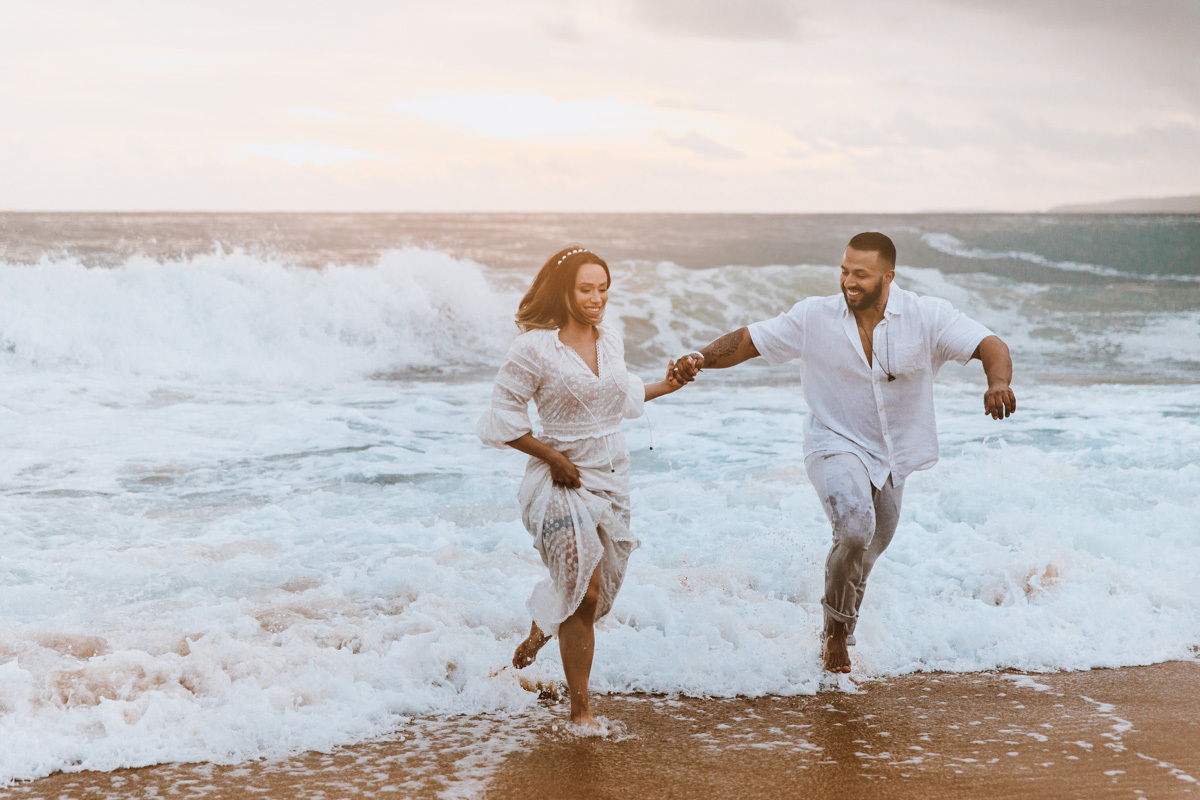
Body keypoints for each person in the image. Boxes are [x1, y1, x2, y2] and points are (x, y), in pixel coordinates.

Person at [671, 232, 1016, 674]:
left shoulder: (925, 316)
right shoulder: (815, 317)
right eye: (844, 271)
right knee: (854, 530)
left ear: (888, 276)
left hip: (894, 456)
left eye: (861, 275)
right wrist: (700, 356)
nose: (848, 282)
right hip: (832, 442)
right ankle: (835, 637)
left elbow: (989, 343)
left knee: (868, 552)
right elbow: (750, 340)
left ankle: (842, 627)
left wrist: (997, 382)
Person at [476, 246, 686, 730]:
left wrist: (667, 386)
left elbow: (619, 395)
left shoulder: (610, 338)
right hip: (557, 479)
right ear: (565, 291)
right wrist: (552, 457)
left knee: (595, 591)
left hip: (610, 473)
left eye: (603, 288)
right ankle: (581, 711)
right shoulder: (533, 348)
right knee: (586, 593)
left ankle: (537, 635)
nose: (597, 298)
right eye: (586, 289)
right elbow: (502, 419)